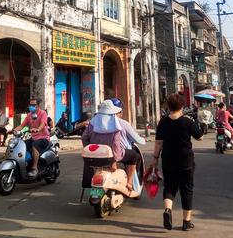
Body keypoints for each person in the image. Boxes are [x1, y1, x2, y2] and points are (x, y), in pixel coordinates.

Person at [152, 93, 203, 232]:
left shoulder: (163, 122)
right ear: (182, 106)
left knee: (169, 187)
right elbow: (200, 137)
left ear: (168, 106)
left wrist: (155, 159)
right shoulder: (187, 121)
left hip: (168, 160)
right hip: (186, 161)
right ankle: (186, 222)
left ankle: (168, 210)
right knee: (187, 190)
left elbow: (158, 143)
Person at [82, 99, 140, 191]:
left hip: (94, 155)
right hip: (110, 156)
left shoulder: (92, 122)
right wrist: (114, 161)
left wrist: (89, 150)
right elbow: (116, 145)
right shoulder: (114, 123)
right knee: (134, 156)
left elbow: (84, 138)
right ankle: (129, 182)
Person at [14, 97, 50, 177]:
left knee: (34, 146)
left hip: (43, 138)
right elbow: (22, 125)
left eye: (34, 105)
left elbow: (43, 124)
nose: (32, 106)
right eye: (30, 105)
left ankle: (34, 168)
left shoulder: (43, 113)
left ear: (38, 106)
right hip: (33, 138)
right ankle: (24, 165)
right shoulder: (29, 115)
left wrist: (37, 129)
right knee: (20, 146)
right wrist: (14, 130)